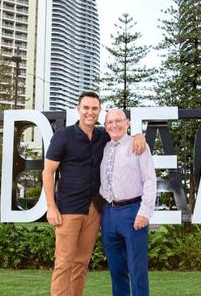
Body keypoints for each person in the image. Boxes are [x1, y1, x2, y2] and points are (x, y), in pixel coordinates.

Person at [42, 92, 145, 296]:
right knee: (64, 263)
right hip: (68, 210)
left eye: (95, 108)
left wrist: (139, 134)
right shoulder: (63, 136)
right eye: (86, 108)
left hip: (94, 210)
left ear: (99, 111)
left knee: (81, 263)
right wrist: (51, 207)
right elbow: (48, 172)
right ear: (78, 109)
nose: (90, 112)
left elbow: (122, 133)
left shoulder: (102, 136)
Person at [100, 108, 156, 296]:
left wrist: (145, 212)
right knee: (116, 270)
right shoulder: (104, 146)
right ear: (105, 126)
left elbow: (150, 179)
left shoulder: (138, 145)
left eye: (118, 120)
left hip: (133, 211)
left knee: (137, 269)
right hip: (108, 213)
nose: (114, 125)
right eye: (110, 122)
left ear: (127, 123)